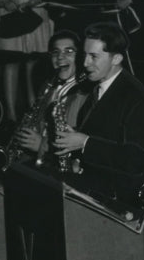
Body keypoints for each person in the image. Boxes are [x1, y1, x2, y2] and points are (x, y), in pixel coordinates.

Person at [54, 21, 144, 206]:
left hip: (115, 191)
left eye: (94, 56)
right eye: (85, 55)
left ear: (116, 59)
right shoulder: (98, 86)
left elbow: (136, 159)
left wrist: (84, 143)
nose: (85, 63)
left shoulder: (135, 95)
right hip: (92, 178)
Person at [12, 29, 89, 162]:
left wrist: (42, 145)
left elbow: (79, 150)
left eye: (69, 51)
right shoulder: (48, 86)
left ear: (80, 56)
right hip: (37, 160)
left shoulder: (84, 95)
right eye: (55, 52)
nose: (60, 57)